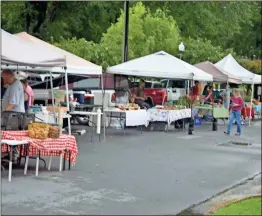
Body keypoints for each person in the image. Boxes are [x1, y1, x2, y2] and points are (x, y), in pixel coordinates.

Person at [2, 70, 25, 162]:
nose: (3, 80)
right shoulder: (13, 85)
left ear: (8, 77)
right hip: (12, 114)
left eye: (4, 78)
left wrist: (3, 114)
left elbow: (12, 104)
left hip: (14, 115)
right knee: (12, 136)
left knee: (13, 136)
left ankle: (14, 156)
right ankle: (12, 154)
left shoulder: (15, 86)